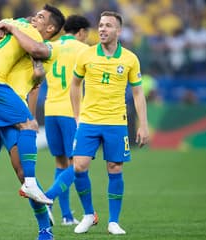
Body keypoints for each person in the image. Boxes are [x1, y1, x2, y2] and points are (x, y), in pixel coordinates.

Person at [0, 4, 65, 240]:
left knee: (21, 171)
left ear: (50, 28)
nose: (34, 19)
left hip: (12, 106)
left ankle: (45, 229)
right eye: (35, 15)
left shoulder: (47, 48)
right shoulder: (18, 37)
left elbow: (38, 69)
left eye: (41, 17)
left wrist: (9, 26)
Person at [70, 11, 149, 235]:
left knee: (114, 168)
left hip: (116, 122)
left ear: (118, 31)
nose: (102, 29)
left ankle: (113, 221)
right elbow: (75, 85)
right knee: (78, 166)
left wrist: (143, 124)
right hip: (89, 121)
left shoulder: (130, 59)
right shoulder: (86, 55)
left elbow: (138, 93)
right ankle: (88, 214)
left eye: (108, 26)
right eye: (101, 25)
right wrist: (77, 116)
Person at [42, 15, 90, 226]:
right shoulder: (84, 50)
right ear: (80, 32)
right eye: (86, 34)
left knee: (61, 162)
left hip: (50, 109)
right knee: (78, 164)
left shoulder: (50, 47)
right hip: (72, 111)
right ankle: (47, 198)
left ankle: (66, 216)